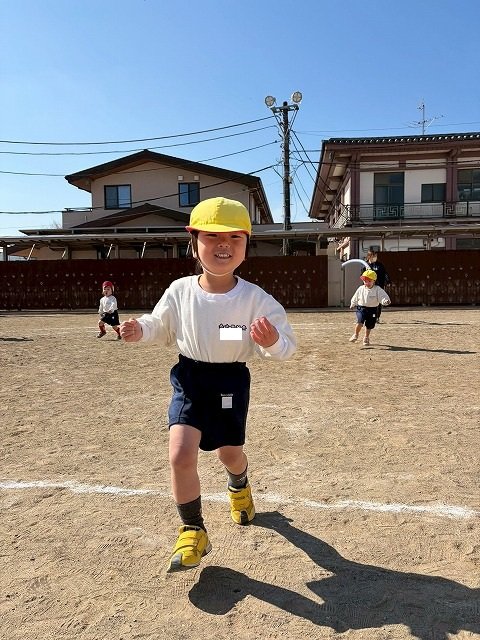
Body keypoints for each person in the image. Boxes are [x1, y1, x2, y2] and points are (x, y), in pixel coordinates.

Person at [119, 197, 296, 573]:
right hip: (190, 379)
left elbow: (285, 346)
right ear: (193, 241)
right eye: (212, 236)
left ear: (246, 245)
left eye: (235, 237)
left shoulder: (255, 299)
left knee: (229, 454)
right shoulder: (180, 291)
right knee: (180, 455)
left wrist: (270, 342)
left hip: (230, 381)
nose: (224, 244)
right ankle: (193, 529)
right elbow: (161, 325)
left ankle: (239, 484)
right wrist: (140, 329)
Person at [349, 269, 390, 346]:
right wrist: (353, 303)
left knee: (369, 325)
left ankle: (366, 337)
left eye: (369, 281)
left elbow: (383, 297)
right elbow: (355, 297)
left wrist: (385, 301)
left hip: (372, 309)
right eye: (365, 281)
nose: (367, 283)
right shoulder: (361, 288)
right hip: (361, 308)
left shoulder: (377, 289)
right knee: (360, 321)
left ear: (374, 281)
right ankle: (356, 335)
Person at [364, 251, 390, 322]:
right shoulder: (365, 265)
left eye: (375, 256)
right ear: (369, 257)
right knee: (367, 301)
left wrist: (388, 281)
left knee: (377, 302)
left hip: (379, 286)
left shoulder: (379, 265)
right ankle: (367, 316)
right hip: (368, 287)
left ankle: (376, 317)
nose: (375, 258)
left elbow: (385, 273)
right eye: (373, 256)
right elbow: (362, 275)